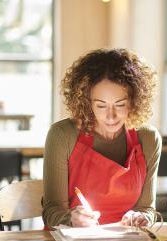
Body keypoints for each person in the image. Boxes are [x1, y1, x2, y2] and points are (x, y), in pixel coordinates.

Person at [43, 48, 161, 229]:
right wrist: (71, 219)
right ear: (87, 103)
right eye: (101, 106)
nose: (111, 116)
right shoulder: (62, 135)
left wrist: (142, 217)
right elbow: (51, 212)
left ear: (133, 101)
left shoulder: (148, 139)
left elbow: (147, 208)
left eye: (120, 105)